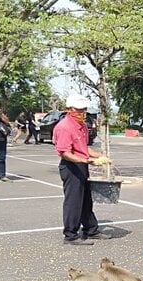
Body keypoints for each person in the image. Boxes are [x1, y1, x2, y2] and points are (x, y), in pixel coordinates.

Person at [53, 94, 111, 245]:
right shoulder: (64, 127)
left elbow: (83, 147)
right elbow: (65, 153)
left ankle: (91, 230)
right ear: (69, 110)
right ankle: (70, 234)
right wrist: (88, 160)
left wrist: (99, 156)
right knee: (73, 201)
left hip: (82, 165)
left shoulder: (83, 125)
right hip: (71, 167)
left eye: (84, 110)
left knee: (86, 200)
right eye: (79, 110)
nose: (82, 113)